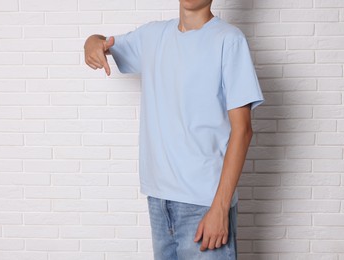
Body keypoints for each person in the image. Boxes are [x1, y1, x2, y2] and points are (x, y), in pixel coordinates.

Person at [84, 0, 264, 259]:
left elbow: (243, 130)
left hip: (204, 204)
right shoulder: (152, 36)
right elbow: (103, 42)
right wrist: (91, 42)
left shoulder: (229, 40)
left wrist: (220, 208)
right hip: (159, 202)